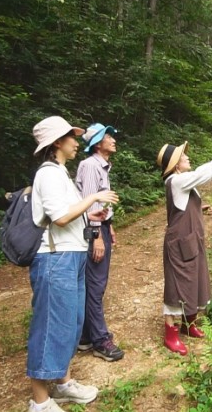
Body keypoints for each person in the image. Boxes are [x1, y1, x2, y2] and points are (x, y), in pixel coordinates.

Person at [27, 116, 119, 412]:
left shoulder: (61, 173)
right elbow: (60, 217)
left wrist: (89, 217)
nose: (76, 142)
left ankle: (64, 384)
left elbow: (69, 213)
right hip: (56, 259)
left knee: (70, 324)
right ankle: (39, 402)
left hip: (72, 255)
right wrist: (93, 197)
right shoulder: (48, 174)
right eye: (71, 137)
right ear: (57, 142)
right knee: (51, 326)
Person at [156, 136, 212, 355]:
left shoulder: (182, 181)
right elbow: (204, 173)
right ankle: (171, 335)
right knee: (177, 285)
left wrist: (200, 208)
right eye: (183, 156)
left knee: (195, 279)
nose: (187, 157)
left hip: (191, 239)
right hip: (180, 243)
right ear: (175, 164)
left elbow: (184, 204)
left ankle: (189, 325)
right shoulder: (176, 181)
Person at [75, 123, 124, 362]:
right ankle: (100, 340)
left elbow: (102, 204)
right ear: (97, 143)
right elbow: (90, 202)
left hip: (100, 226)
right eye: (108, 136)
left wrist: (109, 226)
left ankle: (85, 336)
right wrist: (97, 236)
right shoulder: (90, 165)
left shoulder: (101, 166)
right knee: (95, 285)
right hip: (92, 229)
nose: (113, 139)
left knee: (94, 283)